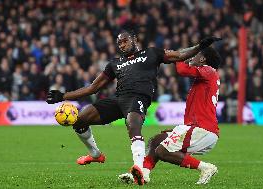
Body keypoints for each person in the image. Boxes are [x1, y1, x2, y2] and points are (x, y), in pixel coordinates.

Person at [46, 30, 221, 182]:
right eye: (119, 43)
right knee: (80, 120)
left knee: (133, 126)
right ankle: (96, 155)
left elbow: (180, 56)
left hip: (138, 98)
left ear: (134, 40)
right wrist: (63, 96)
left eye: (125, 40)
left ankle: (137, 169)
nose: (122, 45)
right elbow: (93, 87)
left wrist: (198, 46)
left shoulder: (151, 53)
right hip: (118, 99)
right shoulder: (115, 64)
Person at [119, 46, 222, 185]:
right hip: (197, 128)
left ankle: (206, 168)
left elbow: (182, 69)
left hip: (202, 129)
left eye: (195, 55)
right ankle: (144, 174)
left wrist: (176, 56)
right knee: (156, 141)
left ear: (203, 59)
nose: (191, 57)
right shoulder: (206, 76)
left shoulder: (209, 70)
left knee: (162, 151)